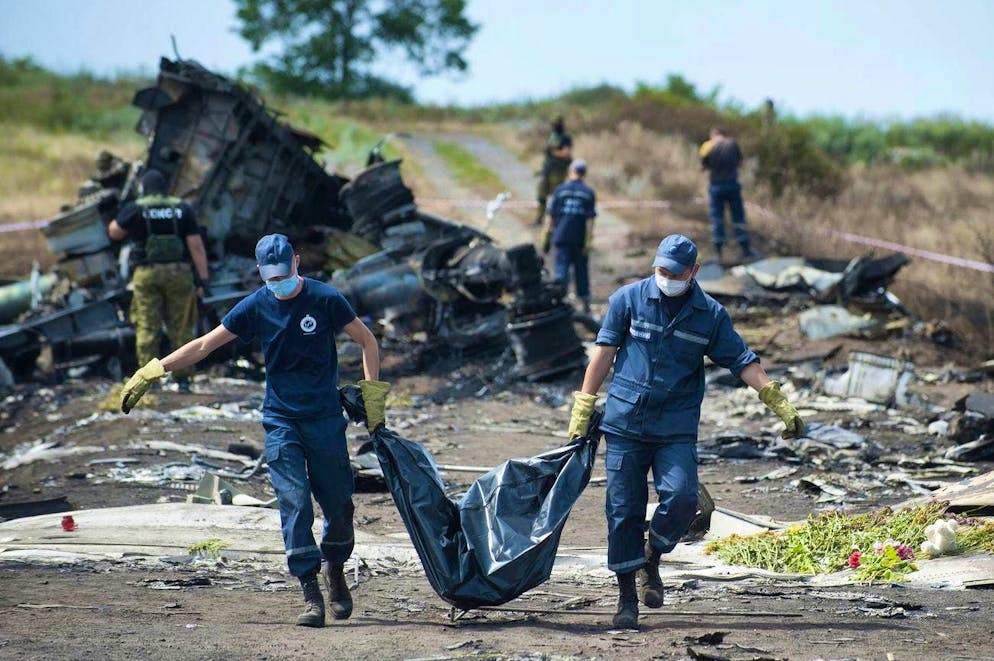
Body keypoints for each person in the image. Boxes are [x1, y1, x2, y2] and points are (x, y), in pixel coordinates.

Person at [118, 233, 390, 628]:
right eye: (270, 277)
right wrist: (154, 369)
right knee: (294, 501)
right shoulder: (256, 306)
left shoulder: (325, 298)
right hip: (281, 420)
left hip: (325, 419)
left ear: (296, 263)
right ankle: (310, 591)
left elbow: (366, 341)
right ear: (261, 272)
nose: (277, 283)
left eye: (283, 274)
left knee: (339, 503)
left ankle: (334, 567)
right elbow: (204, 346)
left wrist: (373, 395)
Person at [566, 234, 804, 630]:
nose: (667, 277)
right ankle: (627, 597)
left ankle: (652, 559)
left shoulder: (709, 315)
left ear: (693, 272)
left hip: (675, 426)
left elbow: (741, 360)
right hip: (625, 422)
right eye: (661, 270)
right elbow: (604, 352)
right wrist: (584, 405)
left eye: (675, 273)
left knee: (681, 499)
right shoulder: (628, 299)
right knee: (622, 510)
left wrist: (776, 399)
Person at [107, 170, 209, 388]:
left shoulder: (136, 207)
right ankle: (183, 380)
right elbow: (196, 246)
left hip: (147, 274)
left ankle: (149, 382)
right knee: (181, 327)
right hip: (179, 274)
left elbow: (114, 232)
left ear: (144, 187)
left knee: (147, 326)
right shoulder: (182, 208)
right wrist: (202, 279)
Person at [541, 159, 597, 314]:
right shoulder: (588, 192)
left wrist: (546, 236)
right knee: (581, 272)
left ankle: (559, 303)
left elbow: (550, 215)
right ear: (584, 173)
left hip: (561, 237)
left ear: (570, 171)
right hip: (579, 239)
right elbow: (590, 220)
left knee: (560, 271)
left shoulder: (559, 190)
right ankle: (585, 305)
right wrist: (589, 240)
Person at [700, 128, 754, 260]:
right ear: (723, 134)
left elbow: (702, 168)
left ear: (713, 135)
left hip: (716, 187)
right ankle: (746, 251)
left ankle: (719, 253)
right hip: (732, 185)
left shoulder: (708, 146)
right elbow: (741, 164)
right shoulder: (732, 144)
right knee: (738, 217)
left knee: (717, 219)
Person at [534, 115, 573, 225]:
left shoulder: (565, 137)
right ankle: (539, 219)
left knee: (557, 196)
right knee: (541, 194)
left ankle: (558, 220)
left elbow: (566, 153)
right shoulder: (552, 136)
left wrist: (553, 152)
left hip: (558, 172)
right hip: (547, 170)